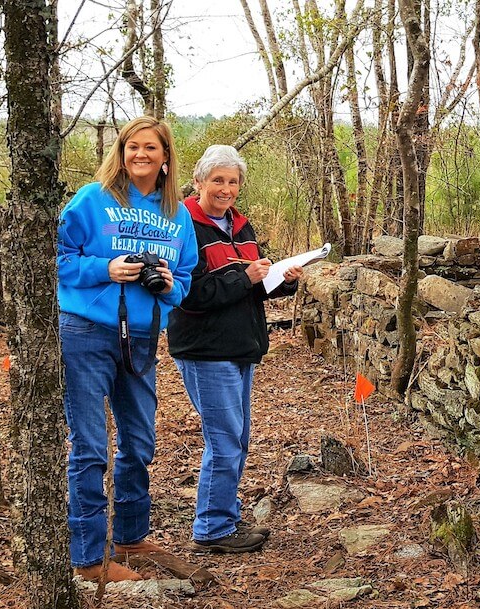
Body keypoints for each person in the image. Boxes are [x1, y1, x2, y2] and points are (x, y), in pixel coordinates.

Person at [57, 116, 198, 582]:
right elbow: (57, 255)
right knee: (91, 446)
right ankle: (88, 558)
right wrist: (105, 268)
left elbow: (186, 279)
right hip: (86, 332)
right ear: (121, 151)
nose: (141, 155)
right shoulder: (93, 199)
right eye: (132, 146)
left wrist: (165, 286)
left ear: (165, 157)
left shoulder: (177, 213)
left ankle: (132, 538)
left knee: (139, 442)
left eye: (150, 148)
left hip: (140, 337)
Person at [168, 145, 303, 553]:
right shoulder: (182, 225)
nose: (226, 189)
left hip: (242, 345)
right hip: (205, 348)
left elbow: (254, 286)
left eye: (232, 181)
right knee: (225, 440)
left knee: (238, 438)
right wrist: (244, 278)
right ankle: (212, 529)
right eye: (218, 181)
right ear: (199, 182)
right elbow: (186, 293)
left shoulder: (241, 226)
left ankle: (223, 516)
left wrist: (285, 278)